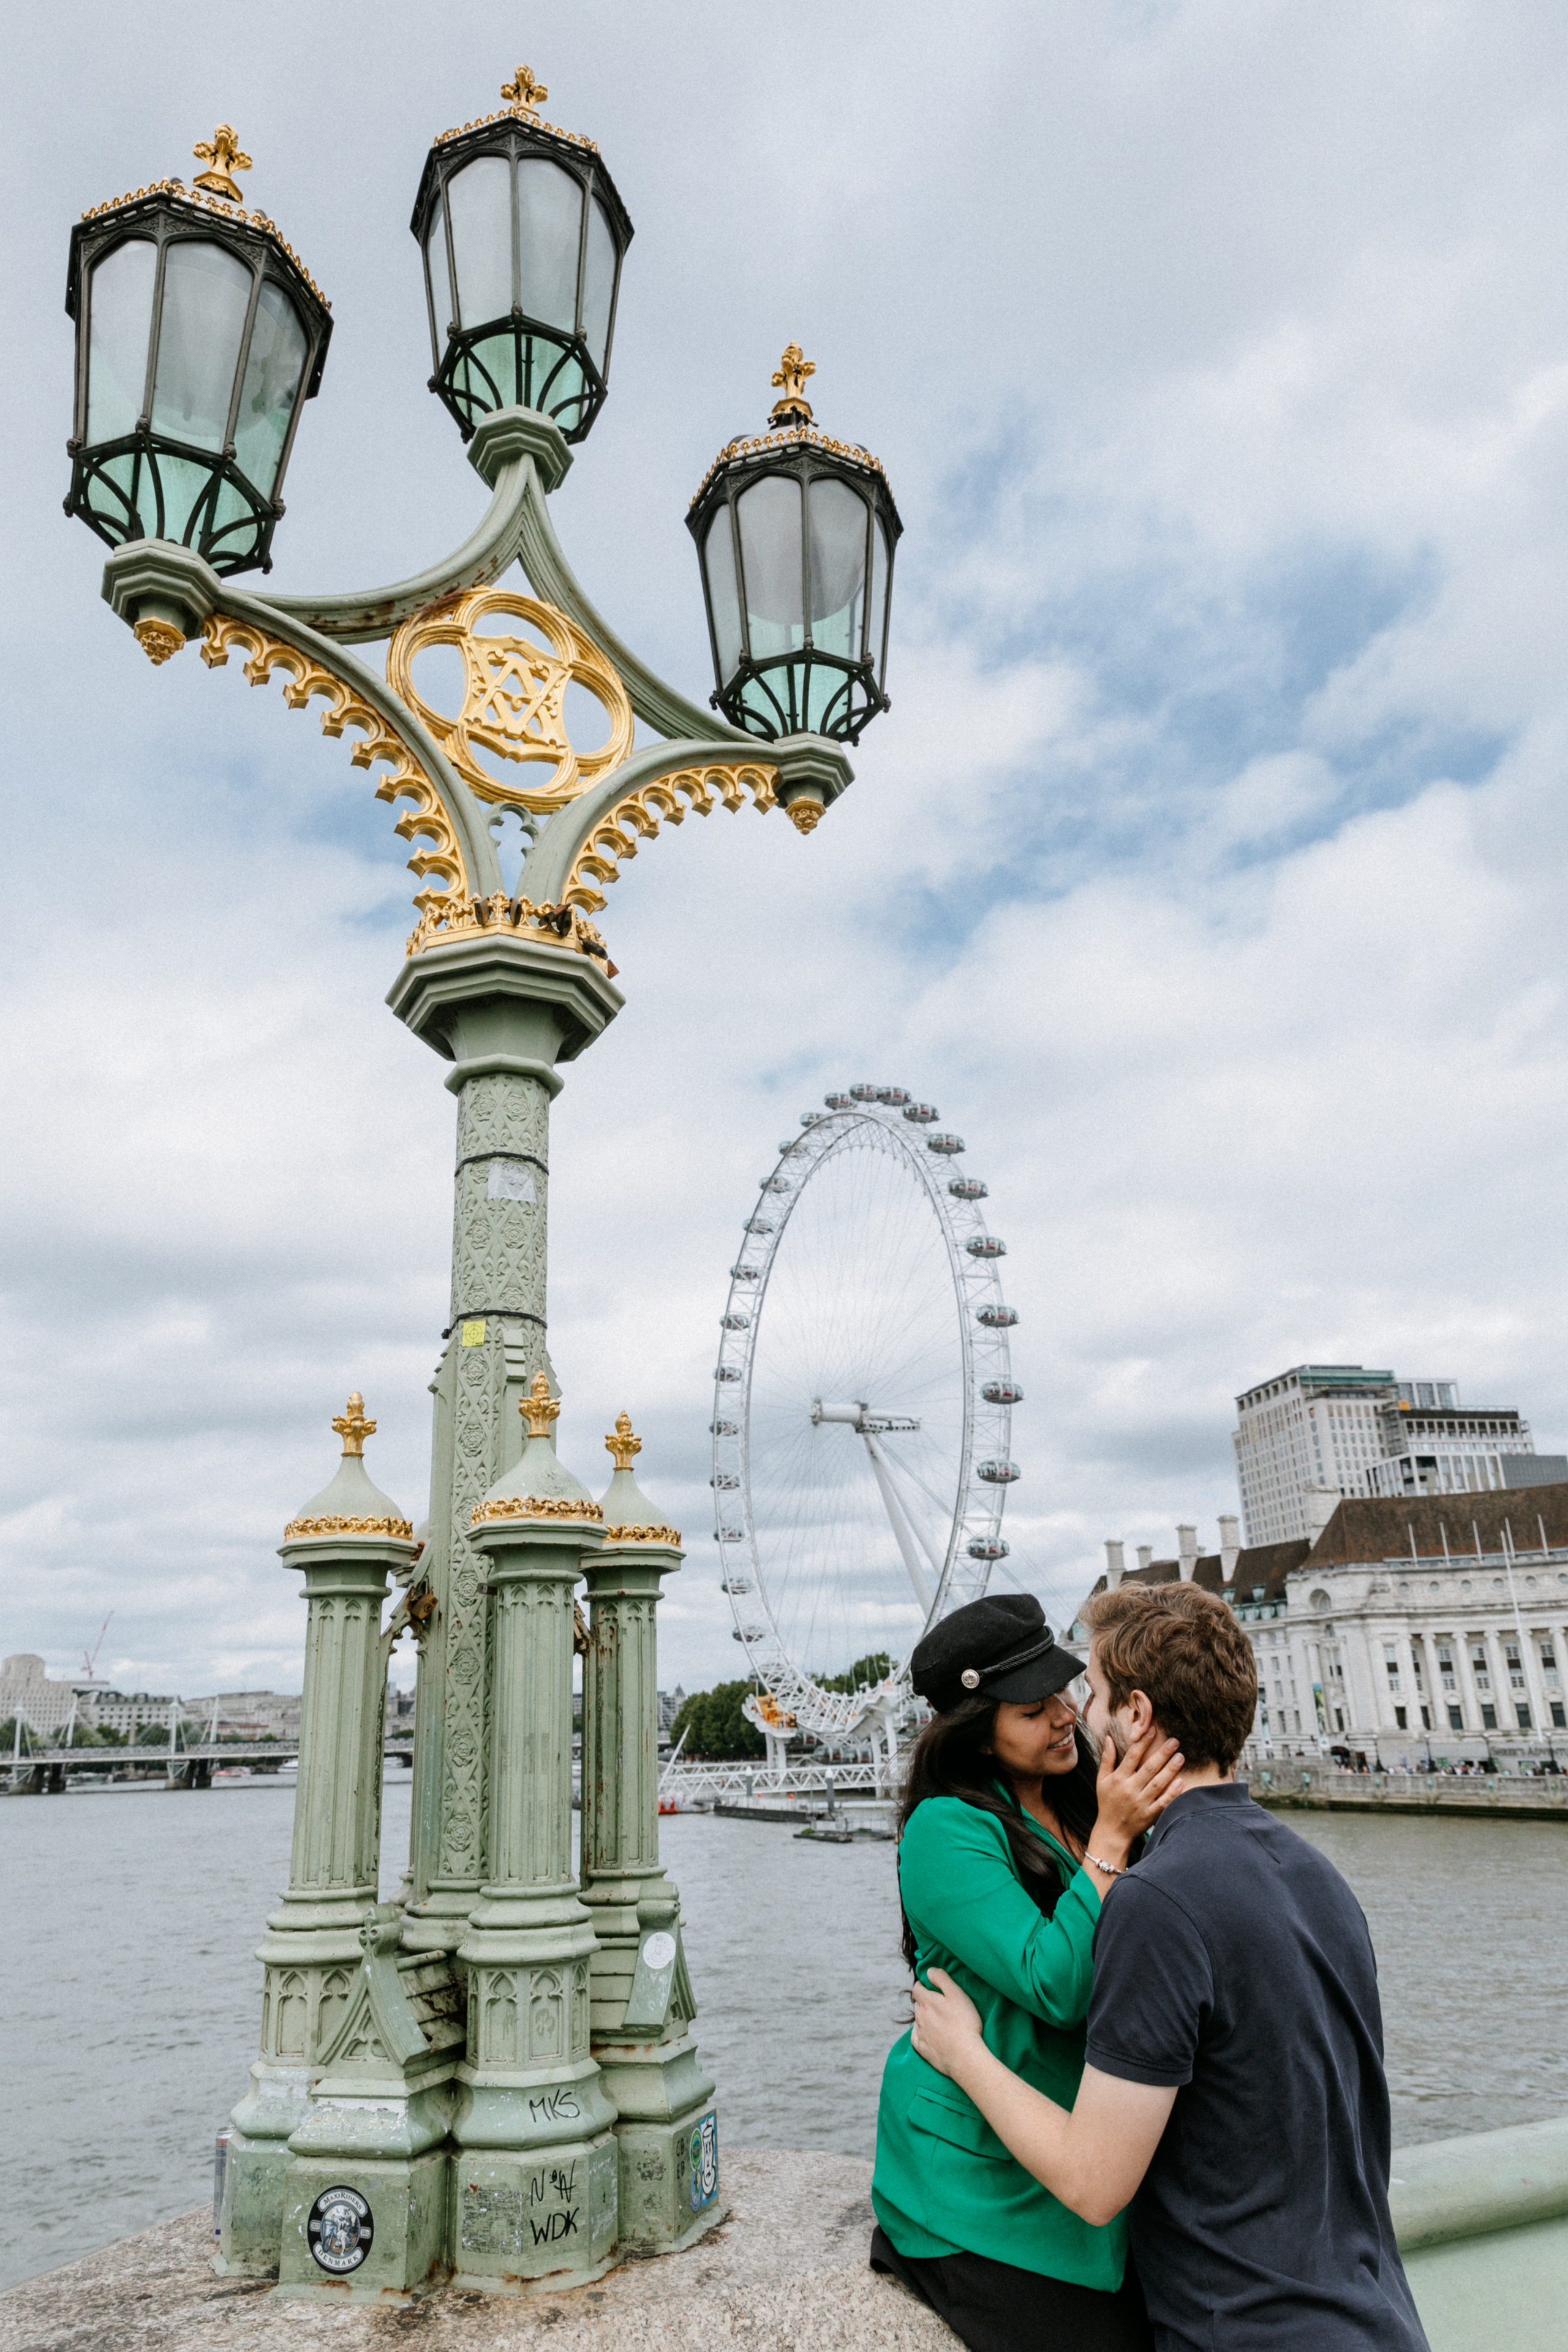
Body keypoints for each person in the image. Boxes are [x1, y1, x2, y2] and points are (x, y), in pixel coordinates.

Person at [910, 1583, 1429, 2352]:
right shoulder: (1317, 1874)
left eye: (1086, 1693)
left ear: (1139, 1716)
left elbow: (1093, 2183)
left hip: (1251, 2328)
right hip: (1373, 2311)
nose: (1074, 1714)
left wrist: (964, 2055)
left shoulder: (1155, 1898)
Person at [870, 1593, 1183, 2352]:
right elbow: (1058, 1985)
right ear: (979, 1737)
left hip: (1089, 2143)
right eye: (1030, 1709)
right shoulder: (944, 1831)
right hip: (978, 2176)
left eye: (1062, 1693)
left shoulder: (1084, 1796)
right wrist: (1112, 1840)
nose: (1061, 1716)